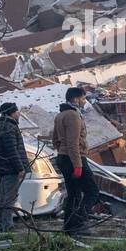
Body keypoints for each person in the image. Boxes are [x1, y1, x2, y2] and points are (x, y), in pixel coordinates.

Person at [51, 86, 101, 233]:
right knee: (92, 191)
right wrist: (78, 165)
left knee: (74, 194)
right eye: (83, 98)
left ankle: (69, 226)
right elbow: (73, 143)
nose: (84, 101)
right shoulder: (73, 115)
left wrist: (62, 152)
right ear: (75, 99)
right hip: (74, 158)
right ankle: (79, 222)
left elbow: (55, 140)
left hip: (63, 157)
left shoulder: (60, 115)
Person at [0, 101, 29, 231]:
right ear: (11, 113)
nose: (19, 114)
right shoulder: (9, 127)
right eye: (17, 111)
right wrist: (20, 168)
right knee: (9, 198)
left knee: (3, 197)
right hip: (10, 169)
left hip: (0, 168)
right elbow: (12, 150)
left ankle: (2, 224)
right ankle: (7, 226)